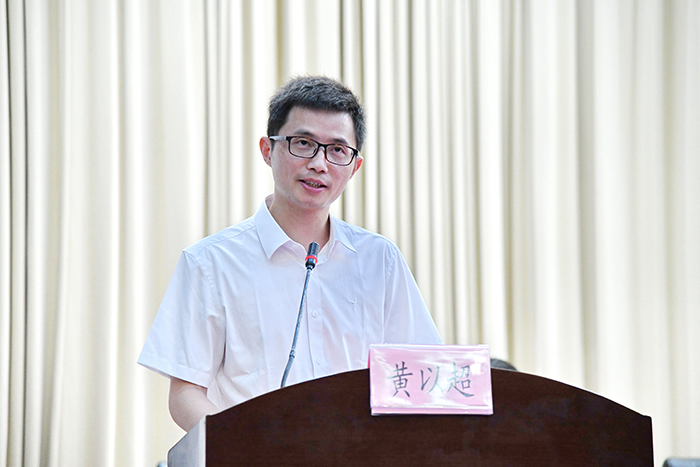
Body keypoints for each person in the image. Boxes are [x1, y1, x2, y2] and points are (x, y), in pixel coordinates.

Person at [138, 76, 442, 431]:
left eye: (337, 150)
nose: (319, 163)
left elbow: (423, 376)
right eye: (303, 144)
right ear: (268, 150)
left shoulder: (380, 261)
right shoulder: (210, 263)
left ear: (354, 166)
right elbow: (185, 393)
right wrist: (244, 446)